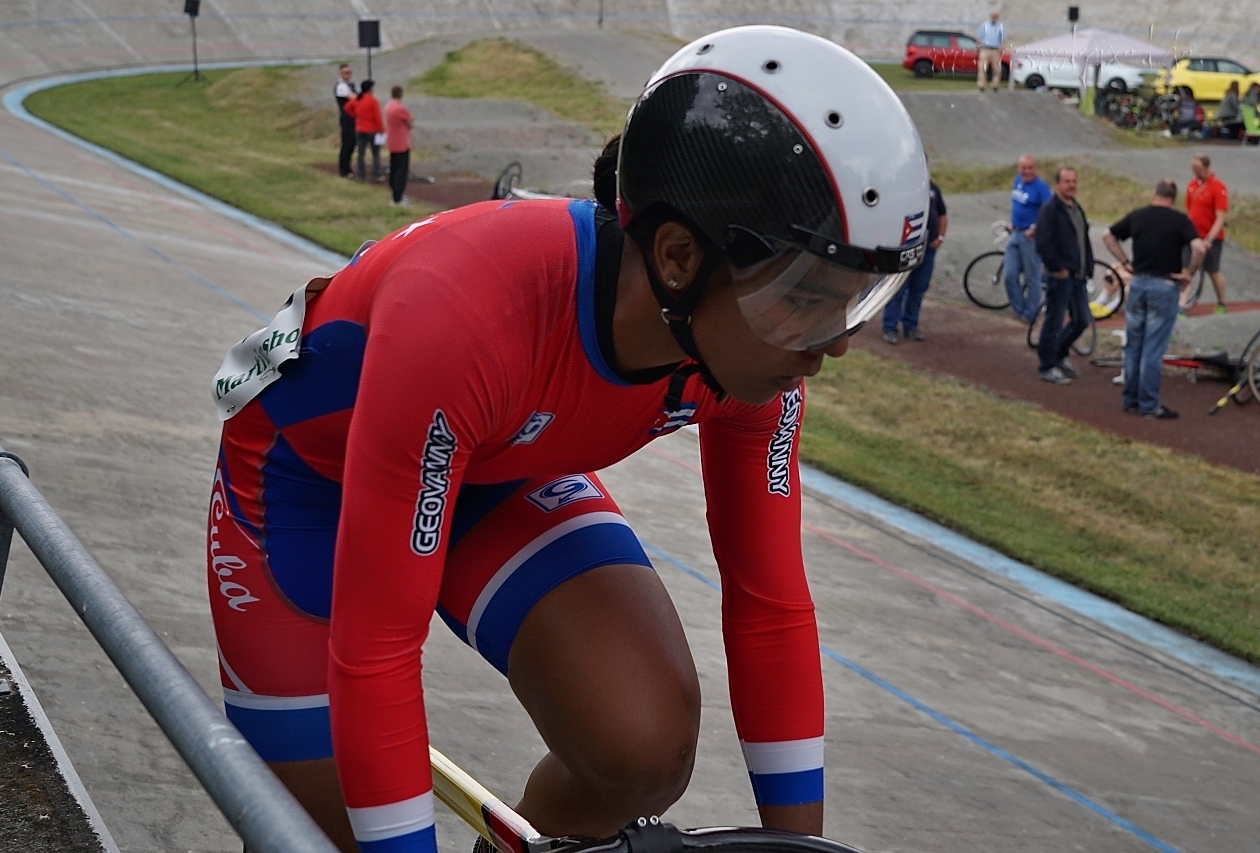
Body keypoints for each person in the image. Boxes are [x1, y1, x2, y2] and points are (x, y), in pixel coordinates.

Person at [205, 25, 930, 853]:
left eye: (857, 304)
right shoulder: (467, 311)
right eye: (807, 298)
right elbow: (375, 652)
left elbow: (769, 609)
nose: (831, 346)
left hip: (491, 464)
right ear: (679, 255)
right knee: (330, 836)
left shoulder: (750, 356)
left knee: (643, 744)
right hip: (305, 492)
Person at [1101, 180, 1207, 419]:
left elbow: (1108, 235)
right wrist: (1188, 272)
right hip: (1164, 285)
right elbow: (1199, 248)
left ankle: (1131, 398)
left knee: (1134, 344)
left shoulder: (1139, 216)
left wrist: (1126, 262)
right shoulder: (1180, 221)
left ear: (1155, 193)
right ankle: (1149, 403)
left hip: (1138, 283)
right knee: (1153, 347)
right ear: (1174, 198)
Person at [1033, 166, 1093, 385]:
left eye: (1074, 181)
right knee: (1054, 321)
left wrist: (1089, 267)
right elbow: (1043, 242)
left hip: (1078, 276)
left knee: (1081, 320)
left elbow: (1083, 240)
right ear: (1057, 184)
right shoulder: (1049, 210)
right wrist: (1058, 267)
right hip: (1059, 276)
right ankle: (1047, 365)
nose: (1071, 185)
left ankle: (1059, 354)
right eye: (1067, 181)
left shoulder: (1077, 208)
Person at [883, 177, 946, 342]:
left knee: (919, 288)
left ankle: (911, 325)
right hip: (907, 249)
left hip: (928, 250)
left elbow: (942, 215)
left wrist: (940, 237)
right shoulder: (903, 189)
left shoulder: (933, 189)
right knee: (898, 289)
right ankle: (890, 327)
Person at [1004, 155, 1051, 322]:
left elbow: (1049, 213)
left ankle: (1030, 314)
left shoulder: (1041, 188)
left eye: (1030, 168)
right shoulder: (1018, 181)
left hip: (1030, 237)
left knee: (1032, 278)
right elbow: (1017, 206)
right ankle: (1019, 308)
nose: (1026, 171)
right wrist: (1012, 223)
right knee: (1009, 275)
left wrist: (1035, 229)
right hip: (1015, 232)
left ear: (1035, 169)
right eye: (1023, 168)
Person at [1184, 154, 1229, 315]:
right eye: (1193, 169)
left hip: (1211, 238)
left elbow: (1220, 217)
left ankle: (1222, 303)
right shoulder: (1191, 185)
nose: (1196, 173)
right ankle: (1180, 306)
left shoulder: (1218, 187)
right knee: (1187, 270)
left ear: (1206, 167)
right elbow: (1189, 210)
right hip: (1193, 237)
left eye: (1198, 169)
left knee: (1213, 270)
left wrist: (1210, 238)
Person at [343, 79, 384, 183]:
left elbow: (347, 107)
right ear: (370, 89)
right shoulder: (373, 100)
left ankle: (361, 175)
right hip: (372, 129)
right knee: (375, 153)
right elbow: (377, 117)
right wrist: (381, 129)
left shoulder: (357, 99)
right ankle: (376, 174)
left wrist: (355, 115)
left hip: (360, 128)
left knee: (361, 153)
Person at [384, 85, 414, 206]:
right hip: (402, 142)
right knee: (402, 170)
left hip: (392, 141)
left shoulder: (388, 107)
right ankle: (398, 197)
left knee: (394, 168)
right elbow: (410, 122)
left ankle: (395, 194)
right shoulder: (401, 109)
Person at [334, 64, 359, 179]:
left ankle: (348, 167)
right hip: (346, 117)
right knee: (347, 143)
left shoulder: (352, 85)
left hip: (354, 117)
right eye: (346, 73)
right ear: (341, 74)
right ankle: (343, 169)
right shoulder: (341, 86)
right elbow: (354, 98)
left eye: (349, 72)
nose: (348, 75)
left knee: (352, 143)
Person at [976, 11, 1004, 92]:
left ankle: (995, 85)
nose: (994, 18)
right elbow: (979, 37)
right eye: (992, 16)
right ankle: (982, 85)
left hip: (995, 50)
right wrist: (978, 47)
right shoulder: (984, 25)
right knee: (982, 68)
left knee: (997, 69)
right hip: (985, 49)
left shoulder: (1000, 26)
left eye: (995, 17)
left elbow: (1002, 38)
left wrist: (1001, 48)